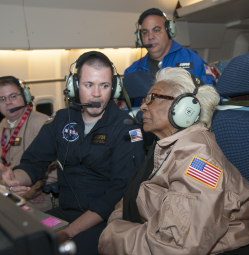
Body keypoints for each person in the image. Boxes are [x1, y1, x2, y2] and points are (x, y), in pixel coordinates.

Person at [0, 52, 146, 255]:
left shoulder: (126, 129)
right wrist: (15, 177)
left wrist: (69, 232)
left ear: (114, 88)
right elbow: (34, 162)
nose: (97, 94)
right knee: (21, 241)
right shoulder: (61, 119)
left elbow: (118, 192)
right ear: (75, 86)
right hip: (65, 212)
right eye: (88, 85)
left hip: (105, 218)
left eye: (104, 86)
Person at [98, 67, 249, 255]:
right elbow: (133, 196)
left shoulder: (200, 161)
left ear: (184, 108)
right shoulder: (164, 147)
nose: (142, 106)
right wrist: (119, 221)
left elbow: (174, 247)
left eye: (152, 98)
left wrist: (111, 235)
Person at [116, 8, 215, 110]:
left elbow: (213, 98)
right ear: (140, 38)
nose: (150, 37)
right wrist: (122, 103)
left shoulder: (193, 60)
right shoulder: (132, 71)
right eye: (145, 32)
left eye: (156, 30)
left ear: (169, 31)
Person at [0, 76, 57, 212]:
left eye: (13, 96)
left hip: (35, 193)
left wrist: (36, 188)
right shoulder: (2, 125)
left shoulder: (43, 123)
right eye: (2, 99)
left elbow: (57, 167)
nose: (8, 103)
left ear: (26, 96)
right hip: (7, 189)